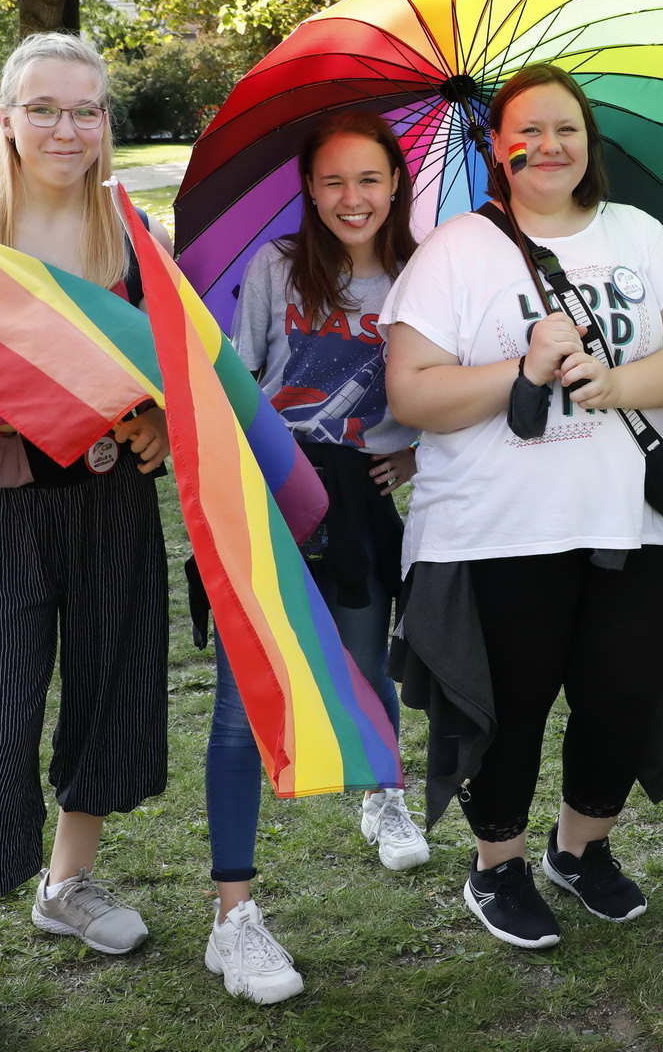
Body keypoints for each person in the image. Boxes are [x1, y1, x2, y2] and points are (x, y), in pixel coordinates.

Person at [382, 63, 663, 950]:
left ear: (588, 142)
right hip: (499, 529)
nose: (548, 145)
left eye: (566, 127)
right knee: (514, 705)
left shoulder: (640, 235)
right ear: (498, 148)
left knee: (623, 694)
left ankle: (582, 851)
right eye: (526, 130)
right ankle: (499, 865)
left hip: (624, 519)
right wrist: (522, 371)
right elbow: (412, 394)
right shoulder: (455, 251)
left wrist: (612, 384)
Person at [0, 32, 173, 1052]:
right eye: (47, 108)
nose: (68, 128)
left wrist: (155, 418)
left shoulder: (132, 232)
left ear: (106, 121)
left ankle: (66, 883)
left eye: (88, 108)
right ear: (8, 120)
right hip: (4, 509)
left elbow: (169, 371)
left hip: (112, 507)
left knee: (114, 692)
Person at [207, 109, 427, 1004]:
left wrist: (414, 452)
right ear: (309, 189)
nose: (352, 198)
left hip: (363, 504)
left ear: (395, 184)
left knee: (366, 667)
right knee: (236, 707)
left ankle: (382, 790)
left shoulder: (422, 277)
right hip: (271, 495)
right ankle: (233, 918)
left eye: (369, 179)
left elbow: (432, 395)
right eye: (333, 181)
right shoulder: (275, 268)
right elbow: (239, 376)